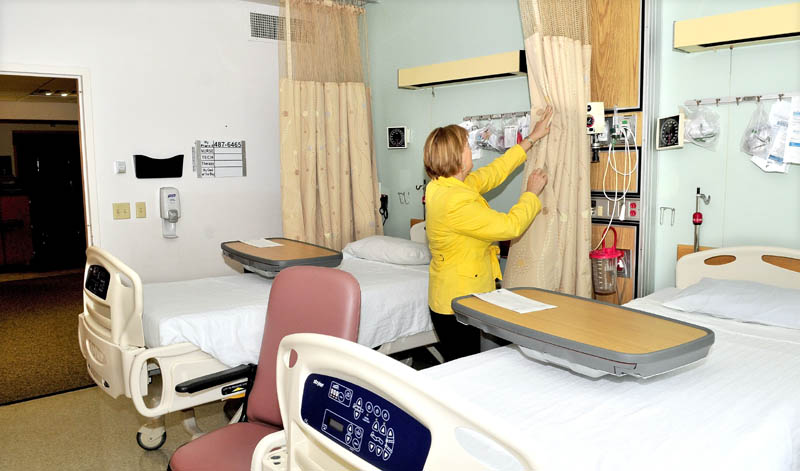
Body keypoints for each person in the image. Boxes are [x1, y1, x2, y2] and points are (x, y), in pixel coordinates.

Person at [423, 106, 552, 362]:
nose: (470, 150)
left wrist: (531, 139)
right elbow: (510, 226)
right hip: (456, 302)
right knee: (463, 369)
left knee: (464, 365)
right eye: (466, 146)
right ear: (457, 157)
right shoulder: (454, 201)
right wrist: (531, 194)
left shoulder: (444, 186)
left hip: (453, 295)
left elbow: (493, 173)